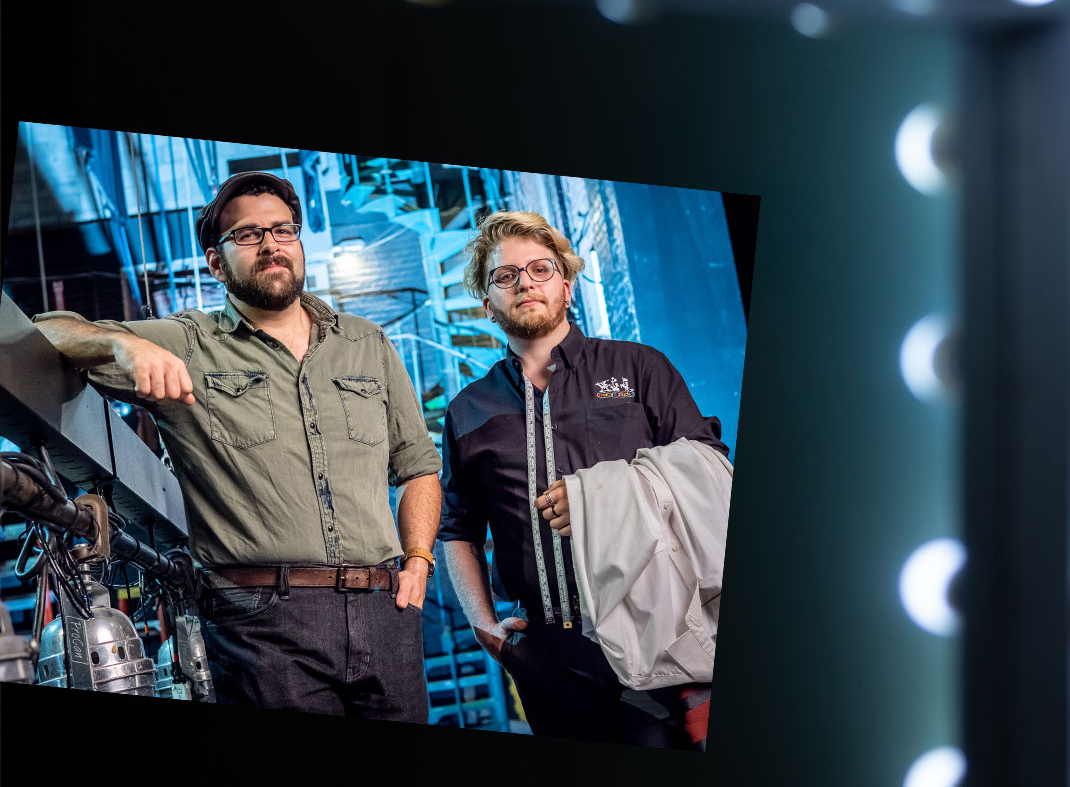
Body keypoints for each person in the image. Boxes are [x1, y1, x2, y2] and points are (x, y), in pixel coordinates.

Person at [32, 172, 441, 722]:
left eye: (283, 230)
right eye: (247, 235)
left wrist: (418, 561)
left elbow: (417, 467)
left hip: (385, 606)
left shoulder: (366, 342)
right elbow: (43, 332)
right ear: (216, 263)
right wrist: (120, 344)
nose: (271, 244)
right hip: (262, 623)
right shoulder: (190, 341)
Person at [439, 210, 728, 748]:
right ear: (487, 303)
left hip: (655, 627)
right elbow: (457, 529)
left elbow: (709, 468)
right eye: (505, 276)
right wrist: (486, 630)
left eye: (540, 269)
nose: (524, 282)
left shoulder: (639, 367)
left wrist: (603, 500)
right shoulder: (468, 410)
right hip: (548, 651)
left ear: (566, 286)